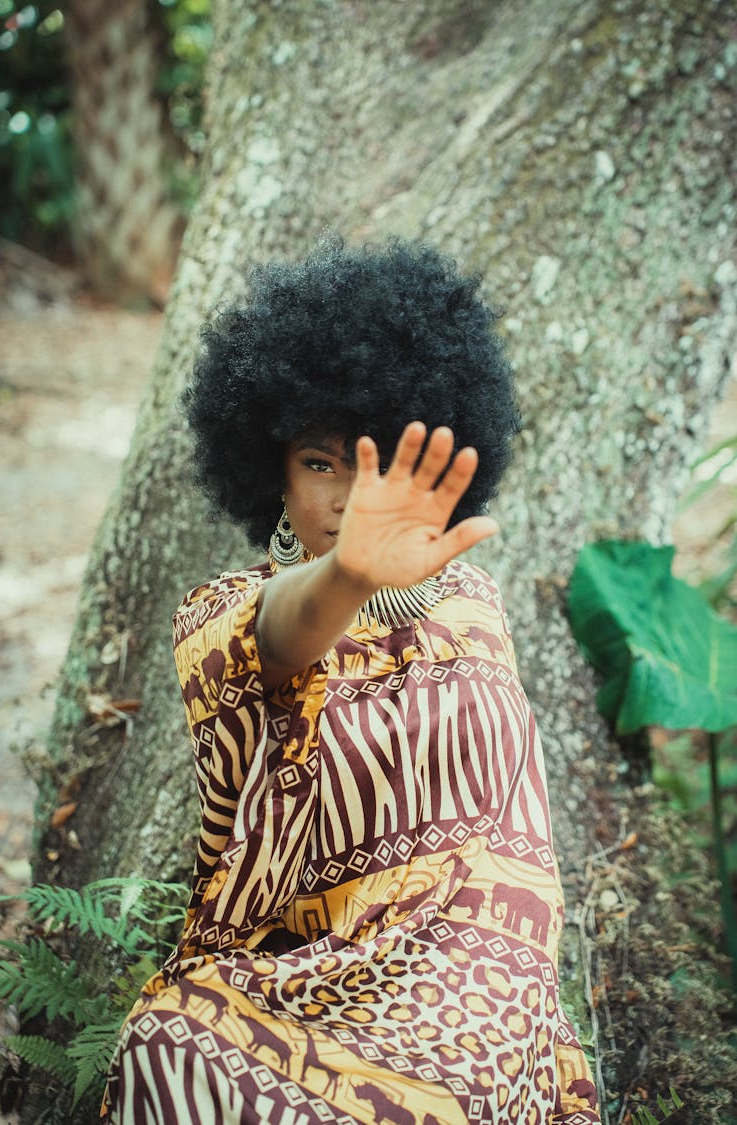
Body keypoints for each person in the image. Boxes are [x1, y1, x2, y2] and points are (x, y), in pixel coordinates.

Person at [102, 237, 599, 1124]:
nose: (343, 500)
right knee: (165, 1044)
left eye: (368, 463)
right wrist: (348, 578)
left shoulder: (475, 606)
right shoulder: (219, 615)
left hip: (485, 994)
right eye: (318, 463)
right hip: (304, 985)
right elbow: (284, 637)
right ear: (272, 470)